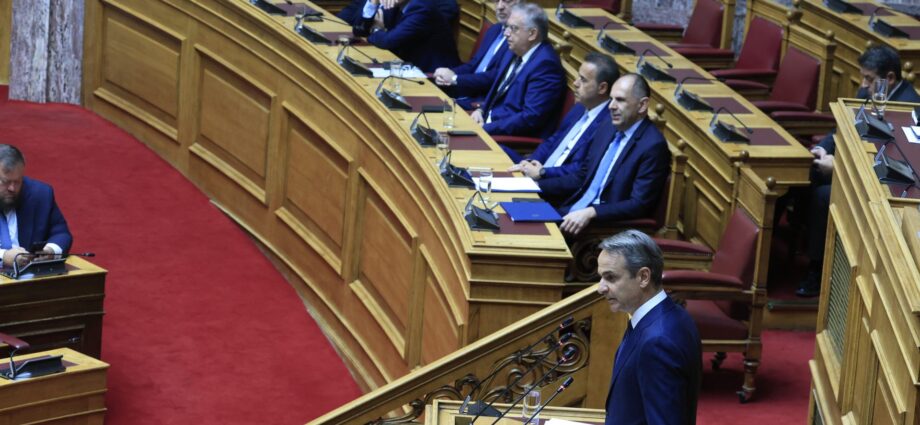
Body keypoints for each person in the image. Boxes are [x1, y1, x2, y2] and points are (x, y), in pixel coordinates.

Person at [797, 45, 920, 297]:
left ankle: (817, 270)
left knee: (823, 197)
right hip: (855, 166)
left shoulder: (909, 108)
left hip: (881, 187)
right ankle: (801, 243)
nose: (863, 85)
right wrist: (823, 148)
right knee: (805, 173)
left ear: (889, 78)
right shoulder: (871, 91)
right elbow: (846, 125)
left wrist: (838, 168)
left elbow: (894, 164)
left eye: (868, 79)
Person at [540, 73, 670, 236]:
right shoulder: (607, 126)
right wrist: (535, 185)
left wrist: (592, 212)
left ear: (642, 105)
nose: (611, 106)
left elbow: (639, 204)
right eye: (611, 99)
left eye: (620, 100)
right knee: (516, 211)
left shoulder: (653, 146)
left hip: (600, 225)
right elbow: (582, 176)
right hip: (570, 209)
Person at [597, 230, 701, 425]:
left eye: (610, 277)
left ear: (643, 277)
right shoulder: (671, 315)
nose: (600, 288)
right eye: (601, 278)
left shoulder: (658, 342)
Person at [506, 52, 618, 187]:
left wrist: (542, 172)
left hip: (554, 184)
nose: (575, 83)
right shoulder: (579, 107)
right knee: (497, 152)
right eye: (578, 77)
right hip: (539, 171)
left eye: (583, 80)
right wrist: (531, 163)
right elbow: (553, 140)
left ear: (602, 88)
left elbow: (579, 168)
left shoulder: (608, 124)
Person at [470, 3, 565, 138]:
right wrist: (481, 110)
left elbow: (530, 118)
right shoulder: (514, 50)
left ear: (532, 34)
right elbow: (497, 92)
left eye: (513, 28)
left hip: (509, 138)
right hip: (488, 123)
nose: (506, 33)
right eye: (507, 27)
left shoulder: (546, 65)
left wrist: (486, 128)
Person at [432, 0, 520, 110]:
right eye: (497, 1)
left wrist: (455, 78)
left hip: (481, 102)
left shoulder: (517, 40)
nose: (500, 6)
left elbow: (496, 77)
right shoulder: (494, 29)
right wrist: (448, 74)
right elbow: (473, 65)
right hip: (464, 90)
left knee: (427, 109)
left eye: (506, 1)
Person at [0, 144, 72, 268]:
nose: (12, 188)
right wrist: (3, 256)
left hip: (29, 275)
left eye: (17, 182)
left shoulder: (40, 194)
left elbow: (61, 233)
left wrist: (50, 250)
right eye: (5, 182)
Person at [350, 0, 460, 72]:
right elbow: (359, 30)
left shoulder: (422, 8)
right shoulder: (393, 5)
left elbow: (388, 41)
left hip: (434, 75)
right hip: (405, 66)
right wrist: (373, 3)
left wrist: (376, 30)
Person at [338, 0, 458, 26]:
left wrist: (382, 29)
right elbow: (343, 19)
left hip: (423, 71)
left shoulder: (444, 5)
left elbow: (406, 41)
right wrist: (372, 3)